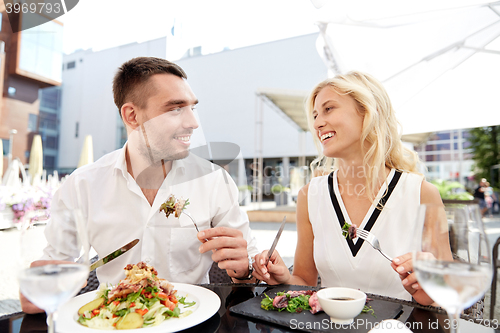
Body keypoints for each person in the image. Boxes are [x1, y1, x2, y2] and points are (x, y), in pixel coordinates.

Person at [21, 57, 258, 314]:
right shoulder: (81, 186)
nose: (193, 122)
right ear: (132, 115)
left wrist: (245, 269)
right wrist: (42, 289)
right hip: (114, 324)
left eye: (192, 108)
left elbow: (250, 271)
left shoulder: (214, 181)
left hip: (193, 320)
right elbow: (51, 273)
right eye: (175, 109)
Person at [252, 71, 445, 305]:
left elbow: (449, 288)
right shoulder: (310, 195)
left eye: (328, 109)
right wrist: (283, 278)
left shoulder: (422, 193)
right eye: (314, 115)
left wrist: (430, 284)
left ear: (367, 112)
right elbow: (304, 278)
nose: (316, 123)